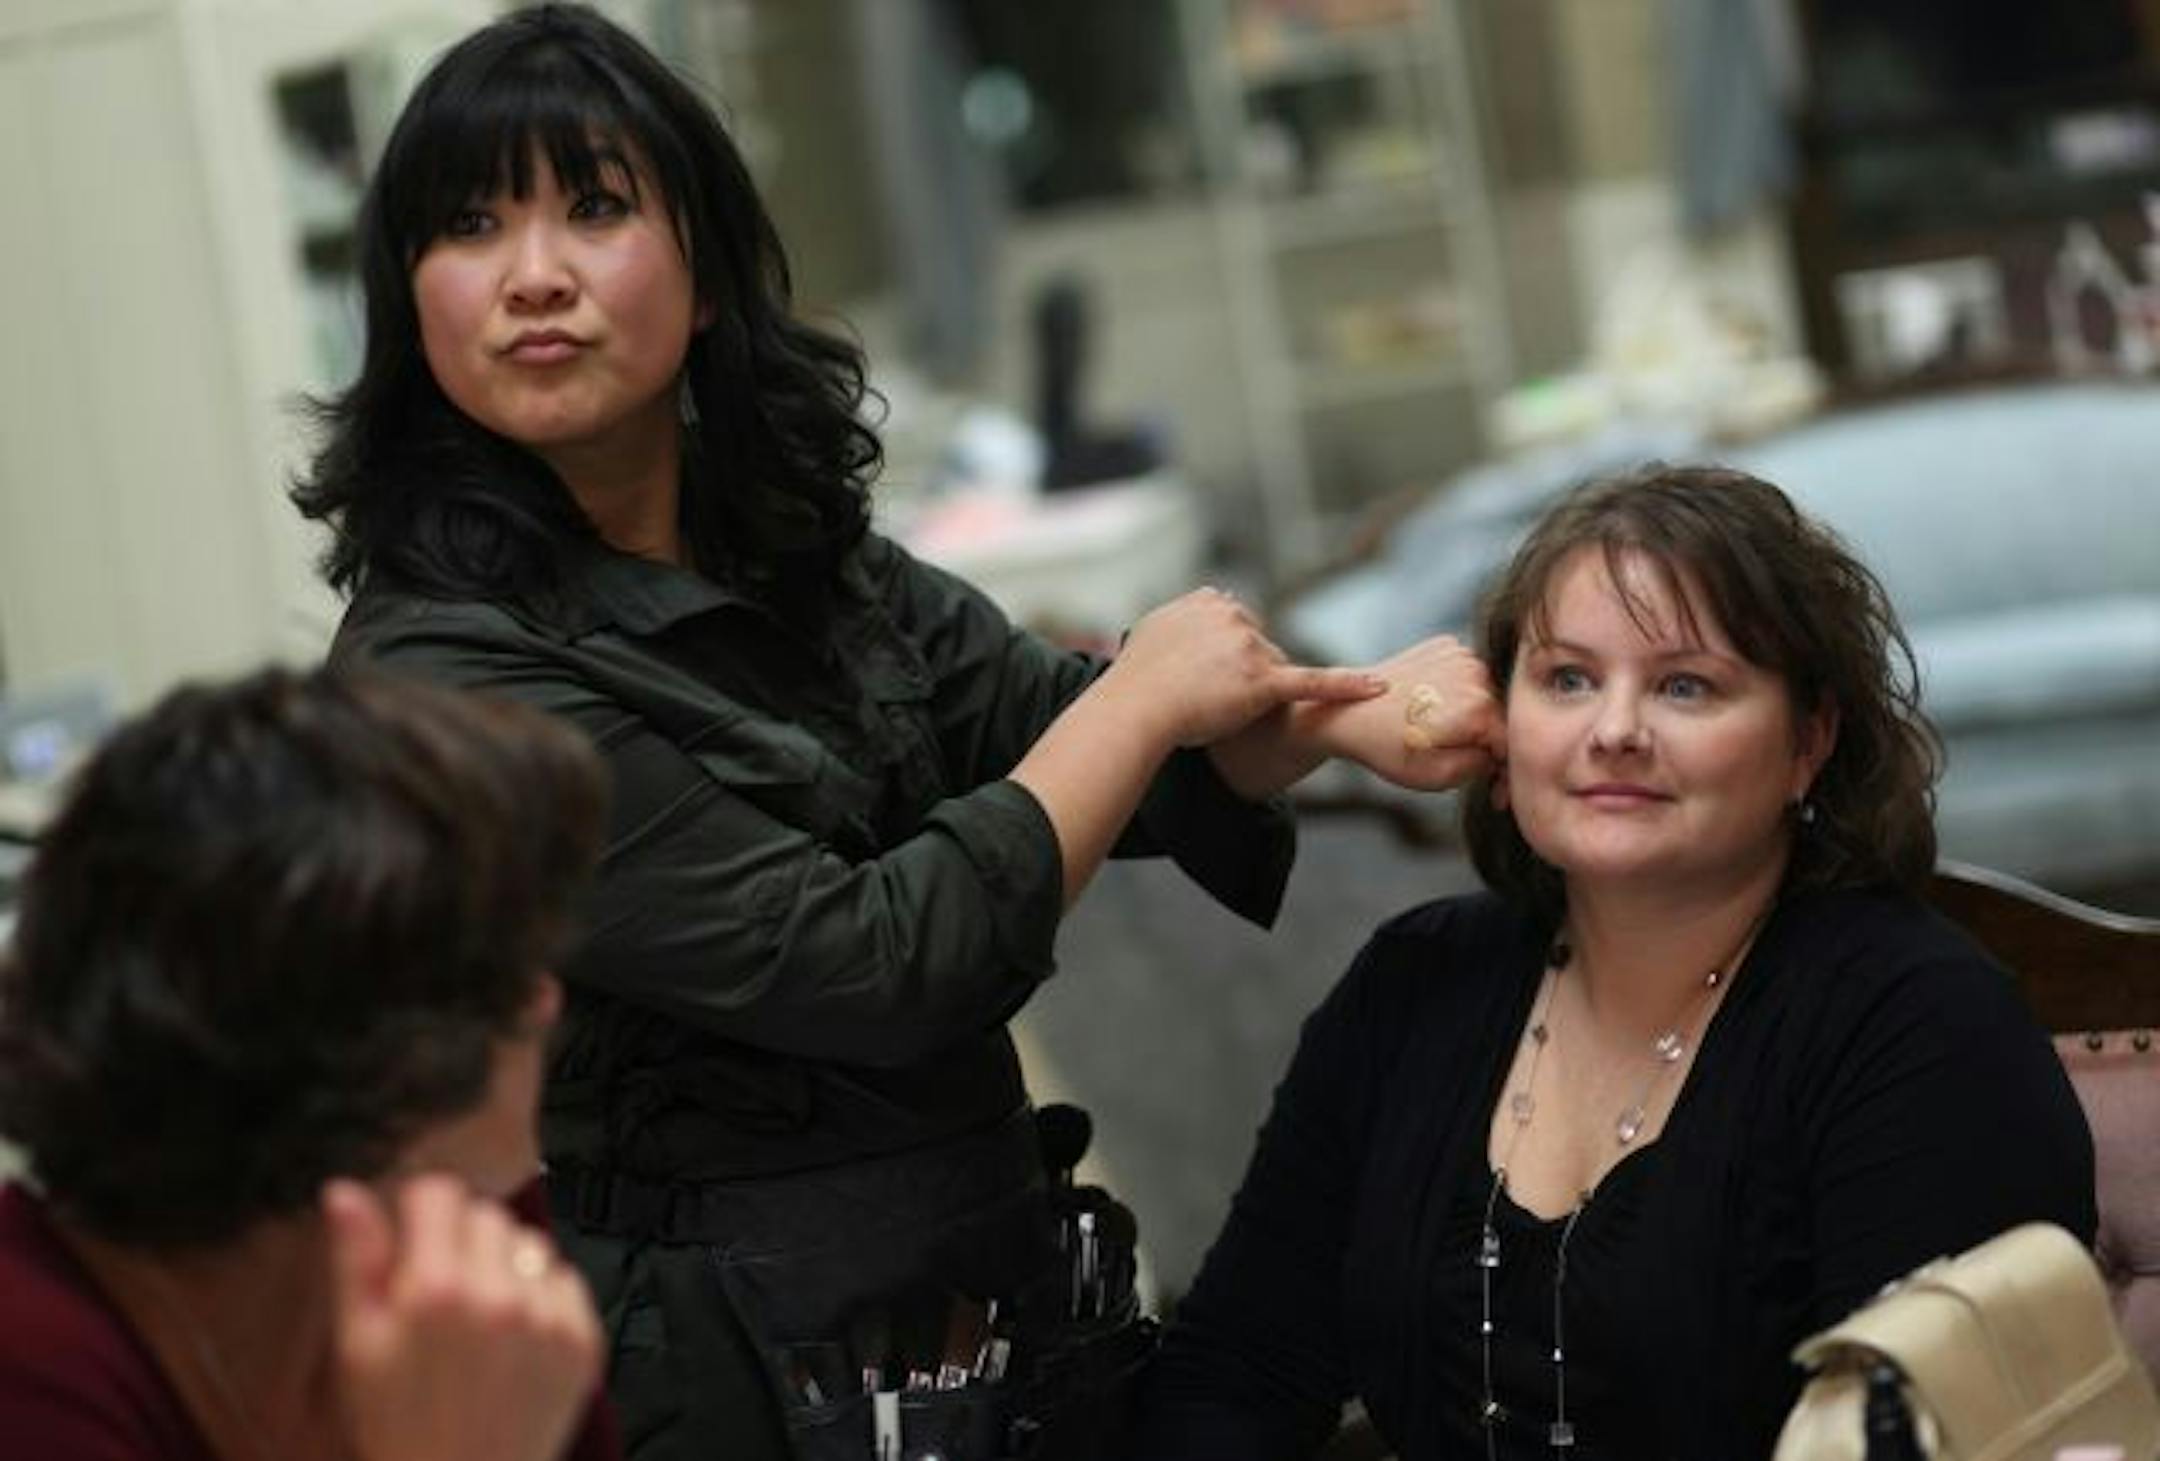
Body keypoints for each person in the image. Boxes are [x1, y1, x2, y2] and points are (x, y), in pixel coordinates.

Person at [289, 6, 1500, 1458]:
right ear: (408, 297)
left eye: (596, 208)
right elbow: (865, 961)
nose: (534, 277)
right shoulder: (440, 674)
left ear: (711, 271)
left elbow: (1053, 735)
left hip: (978, 1303)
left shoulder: (792, 544)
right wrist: (1143, 692)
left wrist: (1342, 715)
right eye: (471, 226)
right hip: (714, 1373)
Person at [1130, 465, 2097, 1459]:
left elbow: (1923, 1438)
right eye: (1568, 680)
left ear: (1809, 741)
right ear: (1501, 729)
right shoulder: (1413, 983)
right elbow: (1236, 1373)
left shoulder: (1918, 1027)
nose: (1616, 731)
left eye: (1686, 686)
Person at [0, 667, 619, 1461]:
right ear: (366, 1064)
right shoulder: (32, 1376)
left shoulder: (468, 1239)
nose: (546, 1002)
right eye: (503, 975)